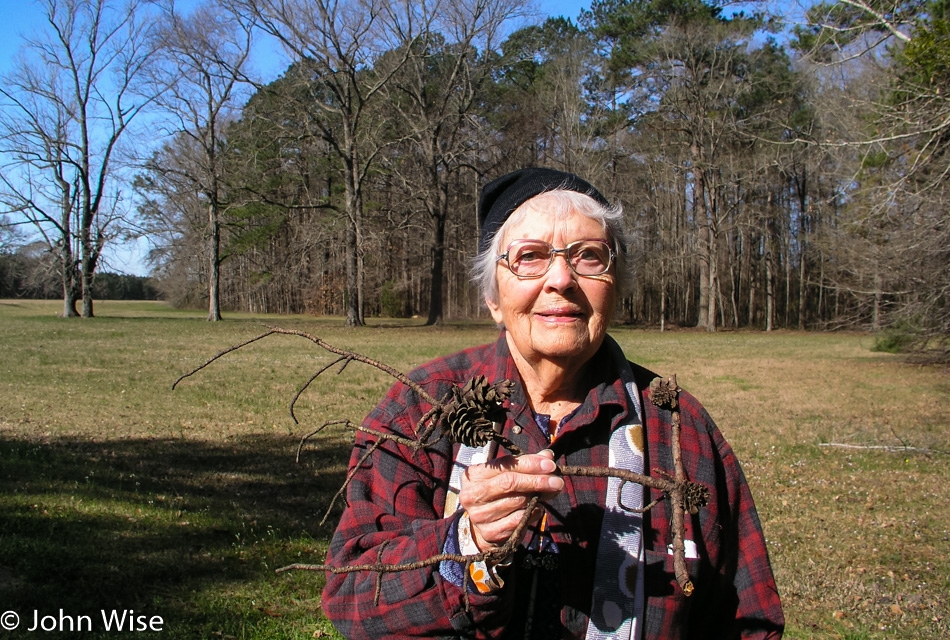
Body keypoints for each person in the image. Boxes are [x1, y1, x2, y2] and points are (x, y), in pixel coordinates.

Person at [321, 168, 784, 639]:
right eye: (530, 256)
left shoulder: (681, 431)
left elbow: (748, 623)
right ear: (493, 298)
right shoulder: (422, 409)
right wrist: (465, 545)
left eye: (588, 256)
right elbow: (351, 598)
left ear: (615, 287)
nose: (561, 278)